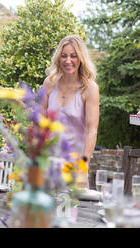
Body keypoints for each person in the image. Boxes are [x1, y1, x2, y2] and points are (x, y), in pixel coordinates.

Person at [42, 35, 99, 187]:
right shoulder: (49, 83)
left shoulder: (90, 88)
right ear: (58, 58)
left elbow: (92, 131)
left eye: (73, 56)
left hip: (75, 168)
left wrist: (83, 166)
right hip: (49, 164)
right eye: (64, 56)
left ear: (81, 58)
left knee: (73, 209)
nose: (68, 61)